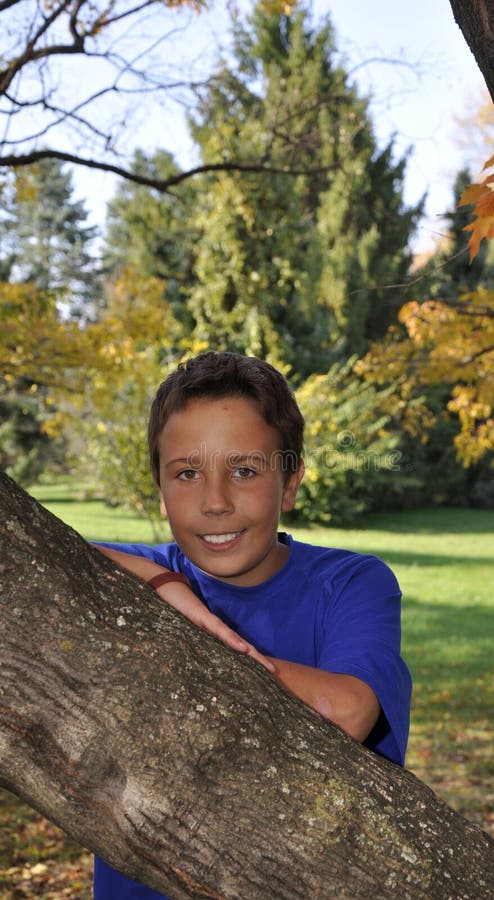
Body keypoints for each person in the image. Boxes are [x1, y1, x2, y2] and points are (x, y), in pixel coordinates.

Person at [93, 350, 411, 899]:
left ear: (289, 483)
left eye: (244, 471)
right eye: (187, 473)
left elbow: (349, 710)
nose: (215, 502)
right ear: (160, 488)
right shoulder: (138, 571)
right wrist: (162, 585)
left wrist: (187, 638)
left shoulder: (350, 583)